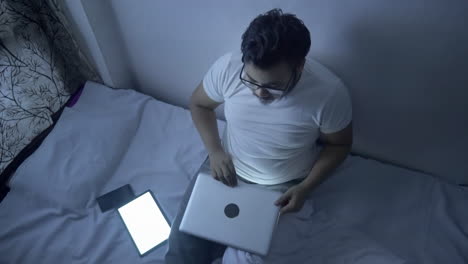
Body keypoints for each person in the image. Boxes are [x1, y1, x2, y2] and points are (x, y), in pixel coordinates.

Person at [165, 8, 352, 263]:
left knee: (248, 257)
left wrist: (306, 188)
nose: (260, 94)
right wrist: (215, 151)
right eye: (251, 82)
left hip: (282, 186)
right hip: (224, 168)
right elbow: (199, 104)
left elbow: (339, 144)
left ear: (299, 66)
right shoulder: (228, 68)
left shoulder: (329, 94)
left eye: (274, 86)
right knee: (182, 253)